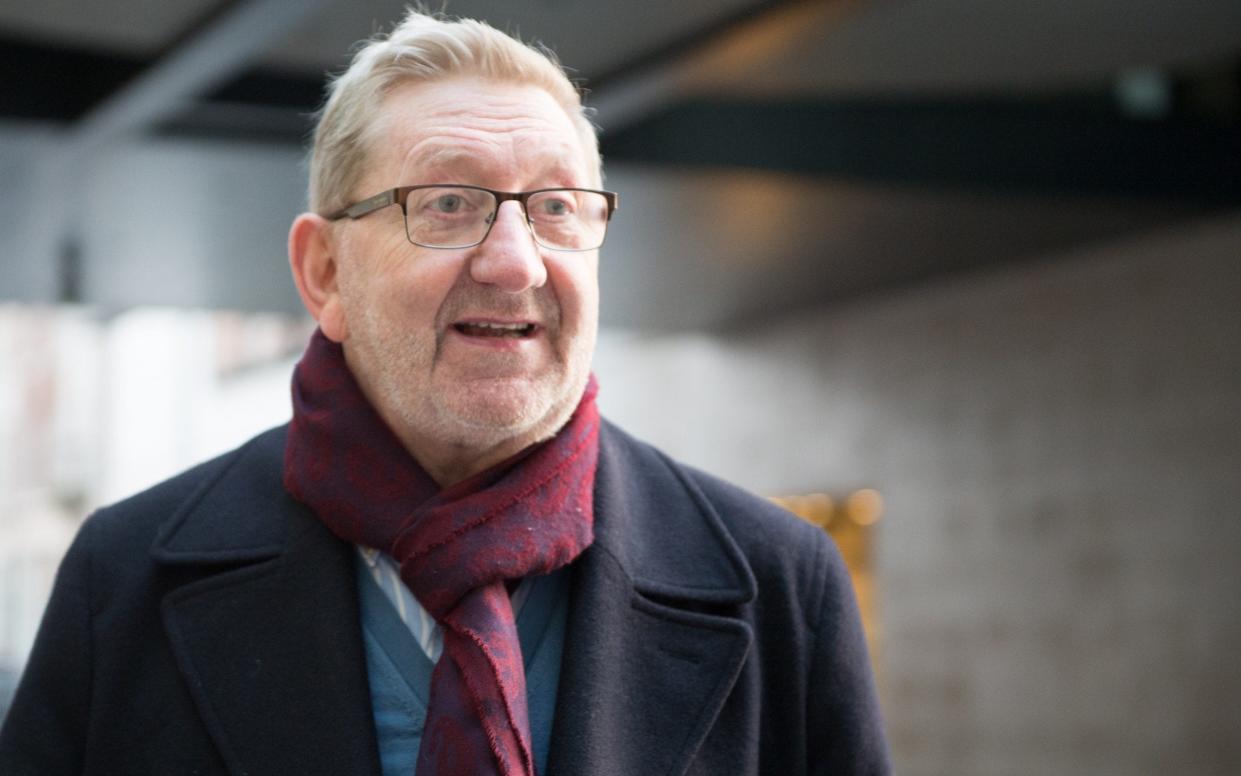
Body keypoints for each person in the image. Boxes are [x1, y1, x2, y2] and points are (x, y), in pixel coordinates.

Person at [0, 10, 889, 775]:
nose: (514, 262)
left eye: (555, 207)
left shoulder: (782, 588)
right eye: (448, 204)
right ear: (323, 273)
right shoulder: (121, 580)